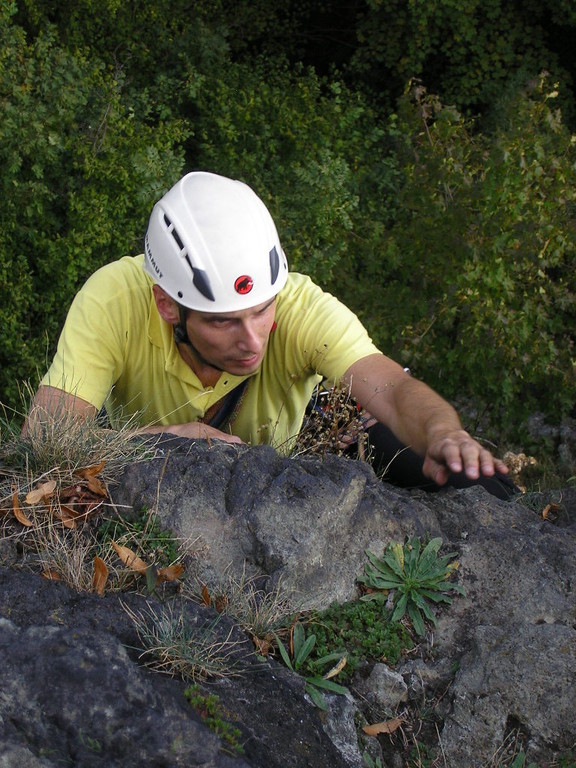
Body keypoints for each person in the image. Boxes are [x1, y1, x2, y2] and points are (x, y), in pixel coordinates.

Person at [28, 171, 516, 499]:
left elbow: (392, 388)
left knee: (472, 480)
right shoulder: (116, 300)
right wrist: (167, 440)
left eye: (261, 312)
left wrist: (444, 432)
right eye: (222, 321)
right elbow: (45, 440)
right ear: (167, 306)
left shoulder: (301, 306)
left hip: (291, 459)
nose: (253, 340)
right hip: (160, 486)